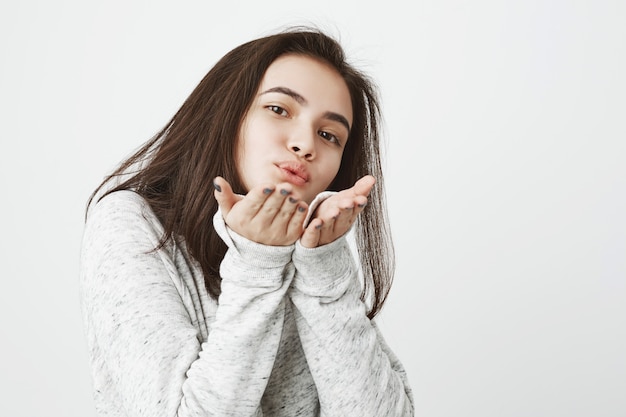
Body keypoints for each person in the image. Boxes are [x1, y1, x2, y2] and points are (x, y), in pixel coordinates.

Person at [80, 26, 414, 417]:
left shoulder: (315, 257)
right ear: (226, 114)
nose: (305, 144)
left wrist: (325, 275)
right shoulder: (131, 224)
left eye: (328, 134)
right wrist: (257, 264)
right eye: (278, 109)